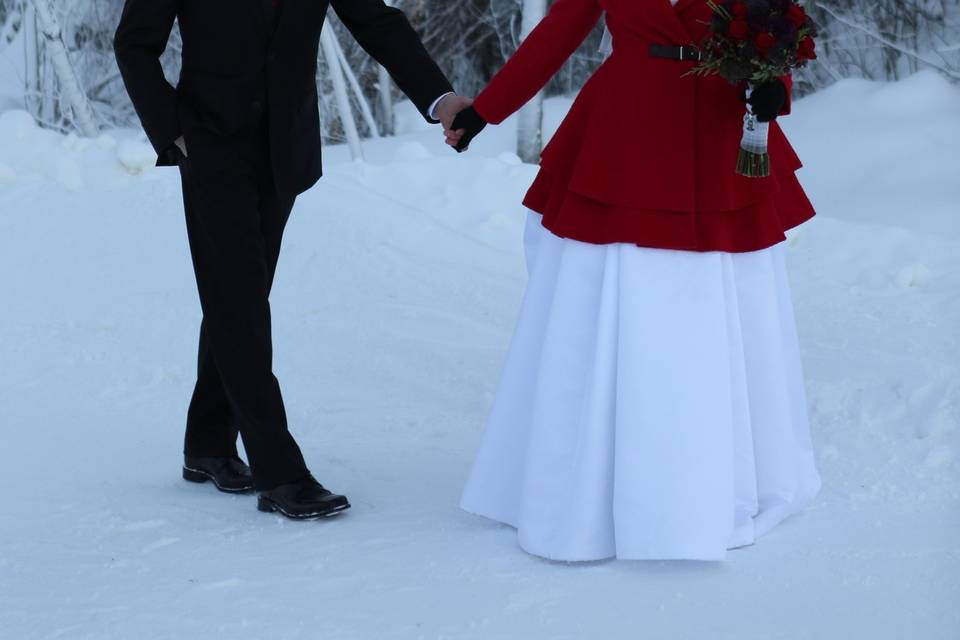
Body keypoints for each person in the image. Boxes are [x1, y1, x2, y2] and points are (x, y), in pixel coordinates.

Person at [449, 0, 822, 561]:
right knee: (609, 305)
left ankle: (716, 483)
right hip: (624, 136)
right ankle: (594, 484)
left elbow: (771, 25)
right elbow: (556, 35)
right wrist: (486, 111)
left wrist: (777, 89)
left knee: (713, 312)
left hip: (719, 133)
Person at [114, 0, 470, 519]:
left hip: (285, 147)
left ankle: (208, 444)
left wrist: (440, 100)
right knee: (239, 304)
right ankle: (280, 471)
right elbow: (133, 43)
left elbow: (376, 21)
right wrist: (174, 130)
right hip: (210, 146)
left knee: (241, 295)